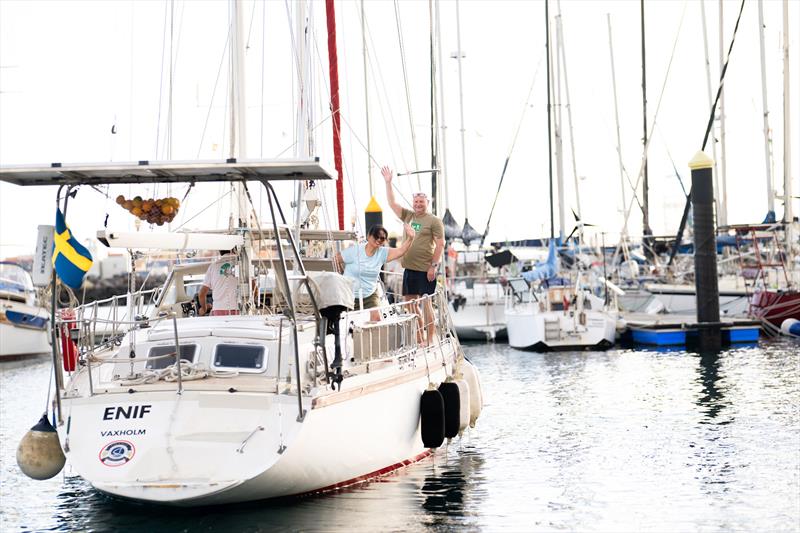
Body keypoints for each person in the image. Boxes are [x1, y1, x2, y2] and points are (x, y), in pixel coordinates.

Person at [382, 166, 445, 345]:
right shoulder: (409, 217)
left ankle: (431, 338)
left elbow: (440, 244)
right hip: (409, 270)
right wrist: (388, 183)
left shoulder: (434, 221)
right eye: (416, 202)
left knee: (426, 306)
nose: (418, 204)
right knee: (411, 307)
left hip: (426, 270)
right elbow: (392, 203)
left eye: (421, 202)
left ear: (427, 203)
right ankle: (420, 339)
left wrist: (434, 266)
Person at [336, 223, 415, 318]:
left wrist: (411, 237)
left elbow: (401, 251)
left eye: (382, 238)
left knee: (377, 318)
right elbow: (335, 259)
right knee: (346, 322)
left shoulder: (382, 253)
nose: (378, 240)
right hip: (349, 294)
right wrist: (341, 275)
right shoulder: (355, 250)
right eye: (376, 236)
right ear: (369, 236)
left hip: (370, 294)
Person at [198, 249, 239, 316]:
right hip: (238, 308)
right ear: (234, 249)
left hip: (219, 309)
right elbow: (254, 288)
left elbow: (201, 294)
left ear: (220, 252)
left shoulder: (213, 266)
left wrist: (204, 308)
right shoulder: (241, 264)